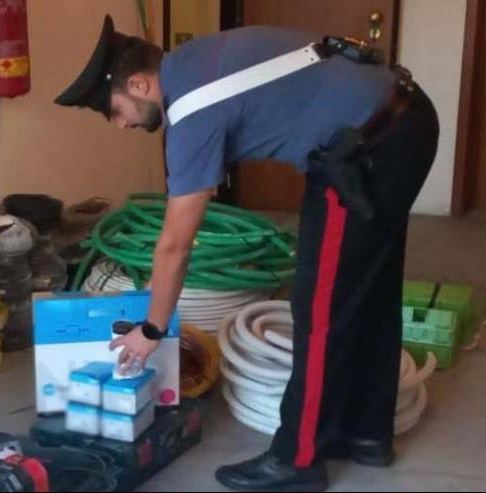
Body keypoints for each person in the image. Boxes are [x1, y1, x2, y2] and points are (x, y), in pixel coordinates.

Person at [55, 15, 439, 492]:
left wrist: (151, 329)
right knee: (369, 287)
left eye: (114, 111)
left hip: (365, 152)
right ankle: (367, 433)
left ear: (138, 84)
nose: (121, 124)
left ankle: (297, 460)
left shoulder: (191, 111)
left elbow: (176, 244)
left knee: (320, 309)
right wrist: (152, 298)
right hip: (405, 121)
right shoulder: (194, 62)